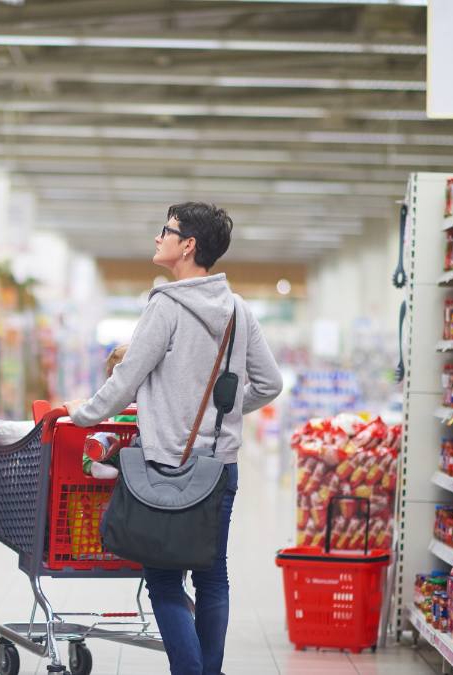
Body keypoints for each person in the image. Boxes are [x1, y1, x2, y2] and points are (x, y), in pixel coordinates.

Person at [64, 202, 283, 675]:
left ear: (188, 246)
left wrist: (82, 416)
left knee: (164, 580)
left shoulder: (165, 305)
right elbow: (269, 384)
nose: (157, 237)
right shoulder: (239, 312)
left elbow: (125, 379)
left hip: (164, 464)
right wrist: (220, 415)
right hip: (218, 466)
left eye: (167, 230)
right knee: (212, 577)